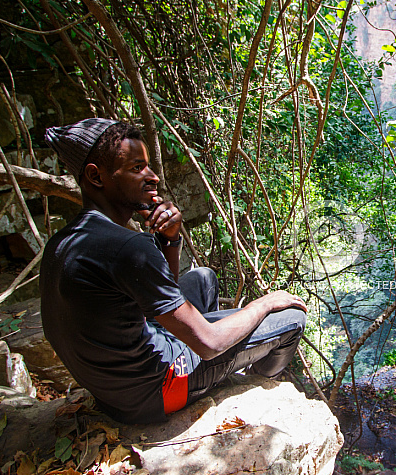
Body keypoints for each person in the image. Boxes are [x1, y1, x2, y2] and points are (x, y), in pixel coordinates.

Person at [40, 118, 307, 424]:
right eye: (137, 168)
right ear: (95, 177)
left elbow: (158, 295)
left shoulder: (65, 241)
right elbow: (209, 344)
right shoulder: (128, 248)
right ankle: (255, 384)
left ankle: (224, 365)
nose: (152, 177)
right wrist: (265, 302)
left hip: (116, 395)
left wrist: (170, 240)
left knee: (203, 279)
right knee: (292, 319)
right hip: (157, 393)